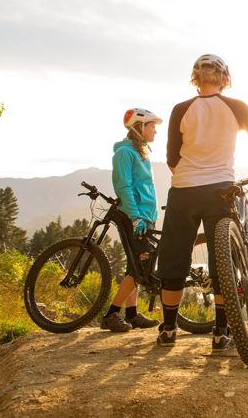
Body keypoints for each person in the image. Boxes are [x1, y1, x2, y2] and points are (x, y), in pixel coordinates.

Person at [157, 54, 248, 350]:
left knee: (175, 257)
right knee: (224, 259)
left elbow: (171, 159)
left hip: (183, 191)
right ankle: (221, 333)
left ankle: (168, 330)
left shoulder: (181, 109)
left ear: (196, 78)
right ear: (224, 78)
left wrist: (191, 176)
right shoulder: (236, 107)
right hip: (220, 190)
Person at [101, 108, 163, 332]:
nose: (155, 130)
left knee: (136, 267)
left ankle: (131, 314)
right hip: (134, 217)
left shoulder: (141, 152)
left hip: (146, 216)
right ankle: (111, 314)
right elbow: (123, 186)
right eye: (151, 125)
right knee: (140, 268)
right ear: (139, 128)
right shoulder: (125, 153)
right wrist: (136, 217)